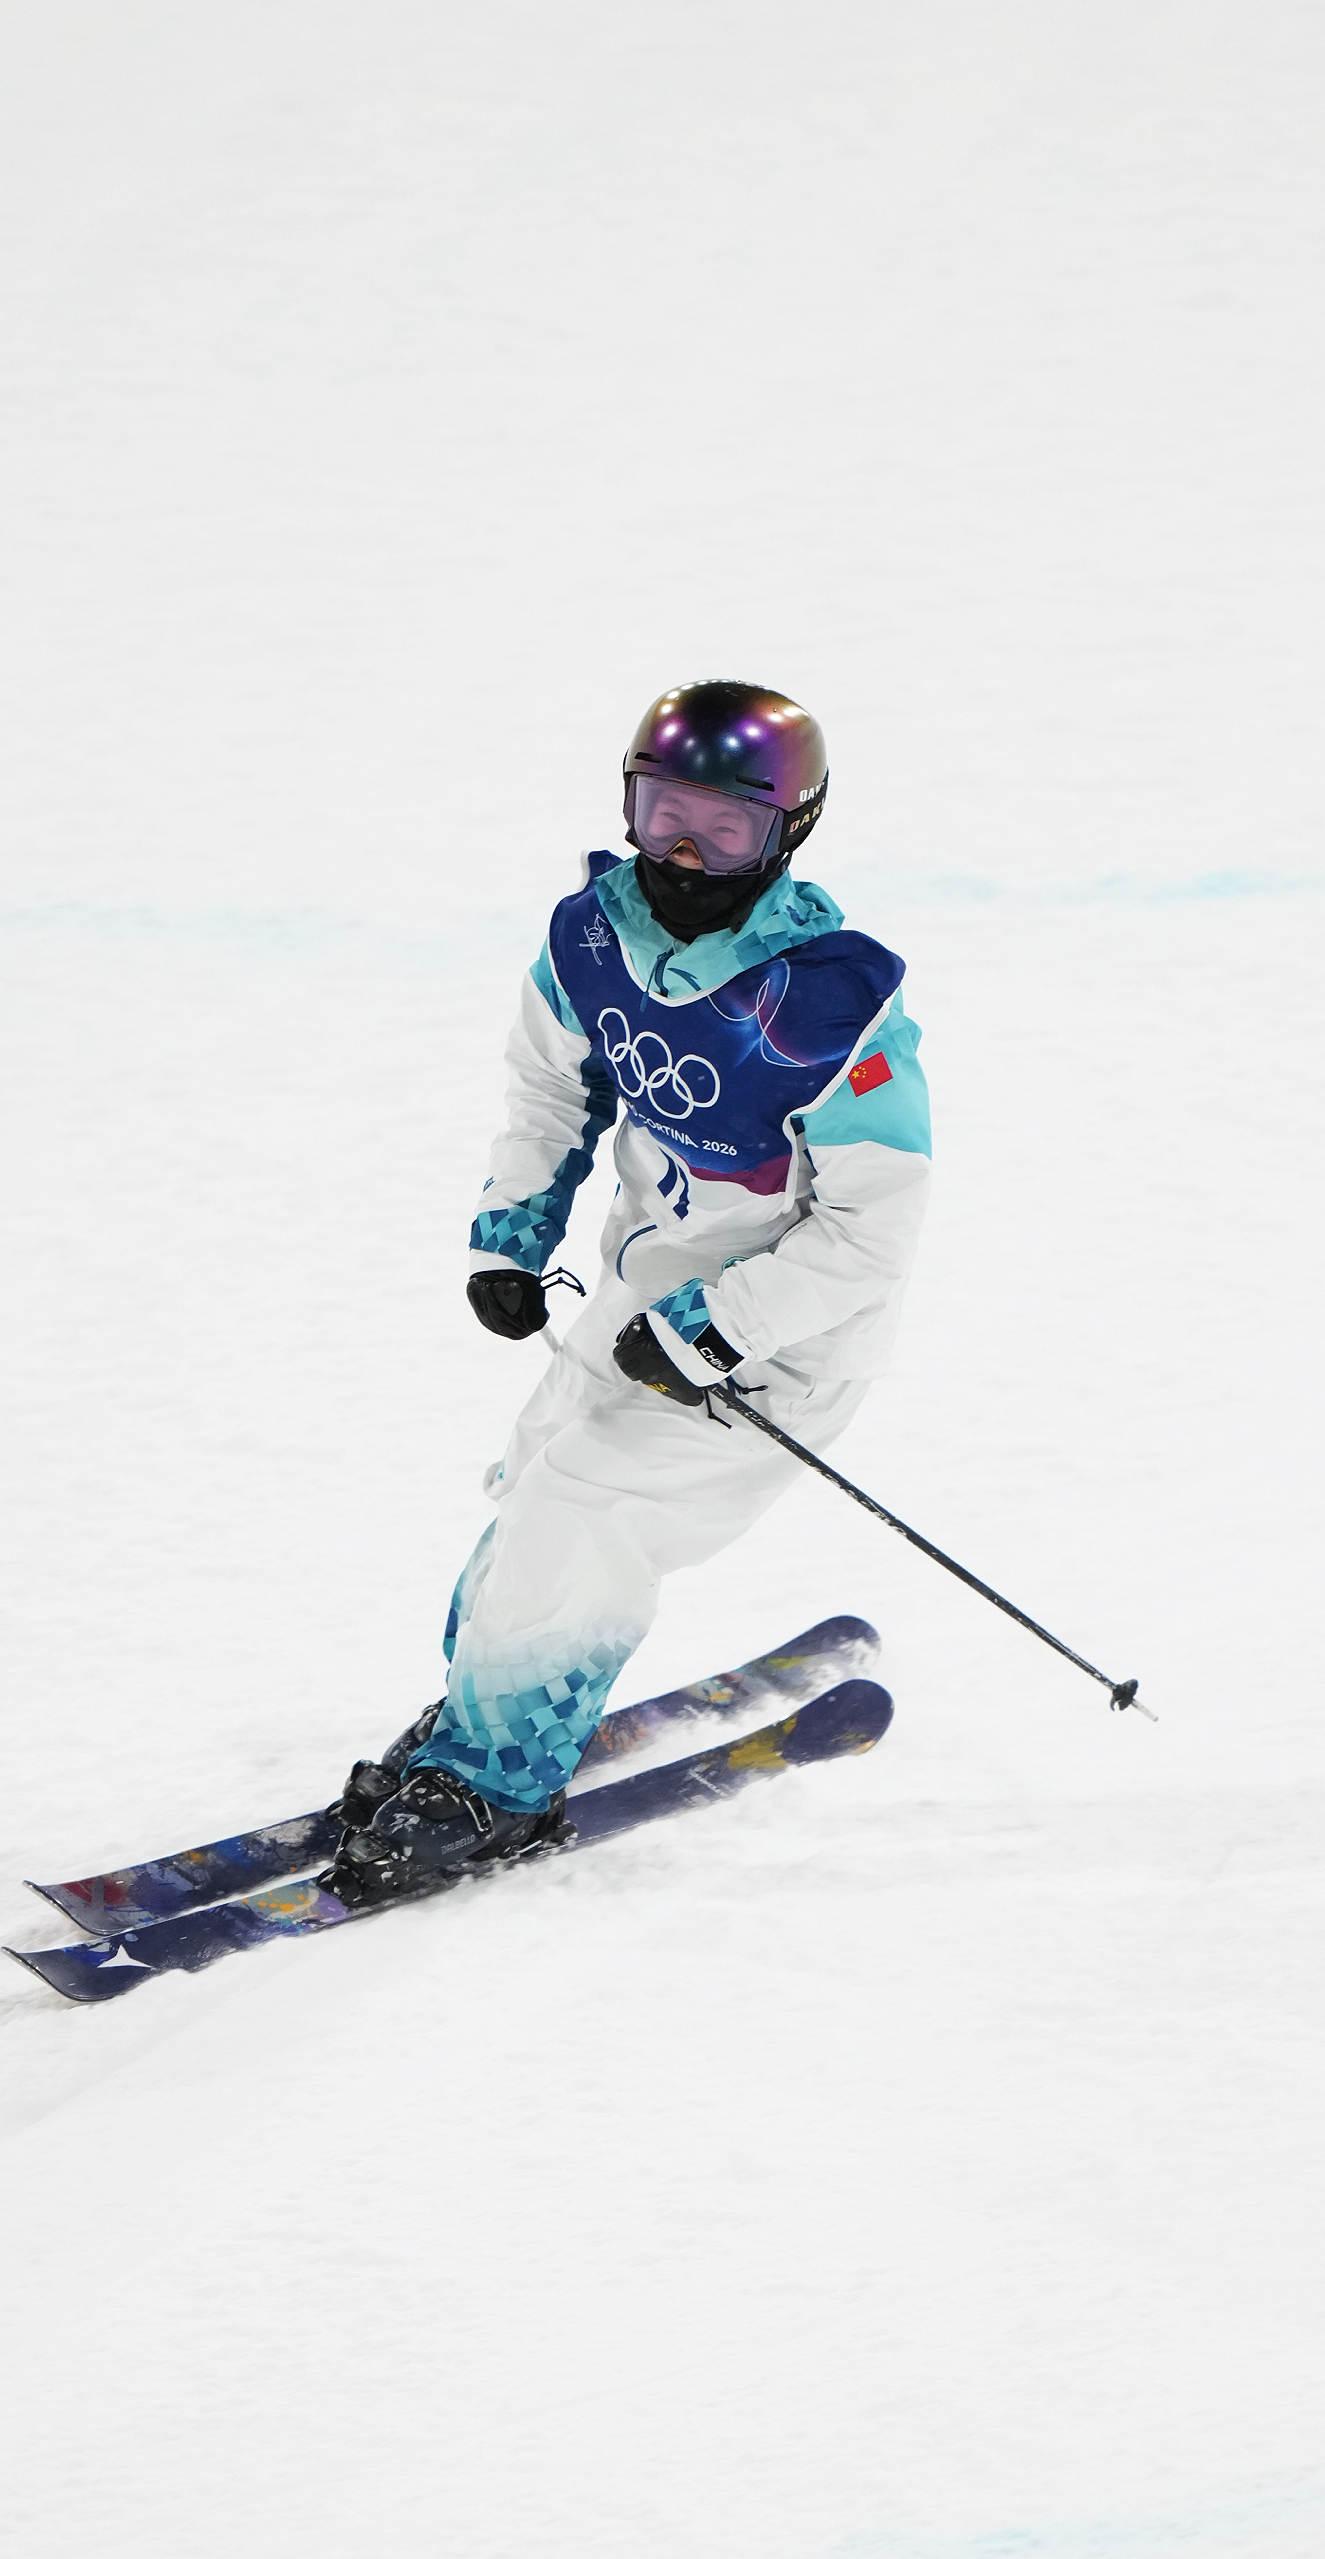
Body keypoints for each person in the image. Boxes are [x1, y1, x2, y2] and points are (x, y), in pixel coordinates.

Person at [325, 681, 931, 1908]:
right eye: (663, 814)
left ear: (789, 832)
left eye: (725, 829)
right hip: (638, 1295)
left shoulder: (829, 1009)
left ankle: (497, 1783)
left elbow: (872, 1232)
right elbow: (551, 1086)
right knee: (529, 1488)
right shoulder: (594, 941)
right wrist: (512, 1234)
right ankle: (485, 1708)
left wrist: (719, 1328)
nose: (684, 855)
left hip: (778, 1343)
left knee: (582, 1512)